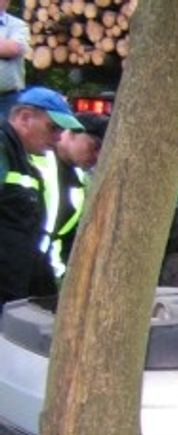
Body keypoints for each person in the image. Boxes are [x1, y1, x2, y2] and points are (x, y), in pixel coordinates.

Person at [1, 86, 83, 308]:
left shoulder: (24, 162)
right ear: (25, 118)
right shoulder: (3, 147)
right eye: (53, 127)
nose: (57, 138)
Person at [31, 111, 108, 277]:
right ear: (72, 132)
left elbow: (64, 236)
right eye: (94, 146)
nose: (97, 157)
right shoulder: (34, 160)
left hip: (42, 273)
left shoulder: (79, 182)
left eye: (104, 153)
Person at [0, 0, 29, 118]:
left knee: (7, 134)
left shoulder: (18, 25)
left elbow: (14, 49)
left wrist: (7, 48)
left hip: (7, 100)